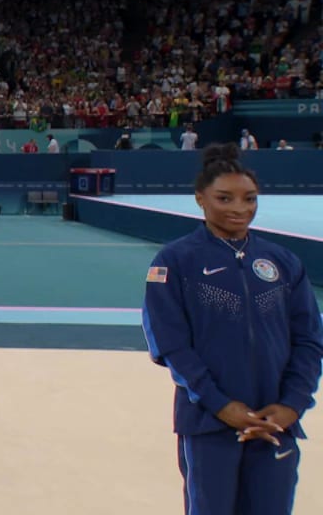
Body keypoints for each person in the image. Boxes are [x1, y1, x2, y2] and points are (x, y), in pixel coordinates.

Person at [143, 144, 323, 515]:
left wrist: (291, 405)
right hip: (209, 423)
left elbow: (309, 340)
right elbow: (170, 344)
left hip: (275, 423)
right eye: (224, 198)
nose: (240, 208)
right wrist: (219, 404)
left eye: (250, 198)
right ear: (200, 199)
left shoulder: (282, 262)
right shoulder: (176, 261)